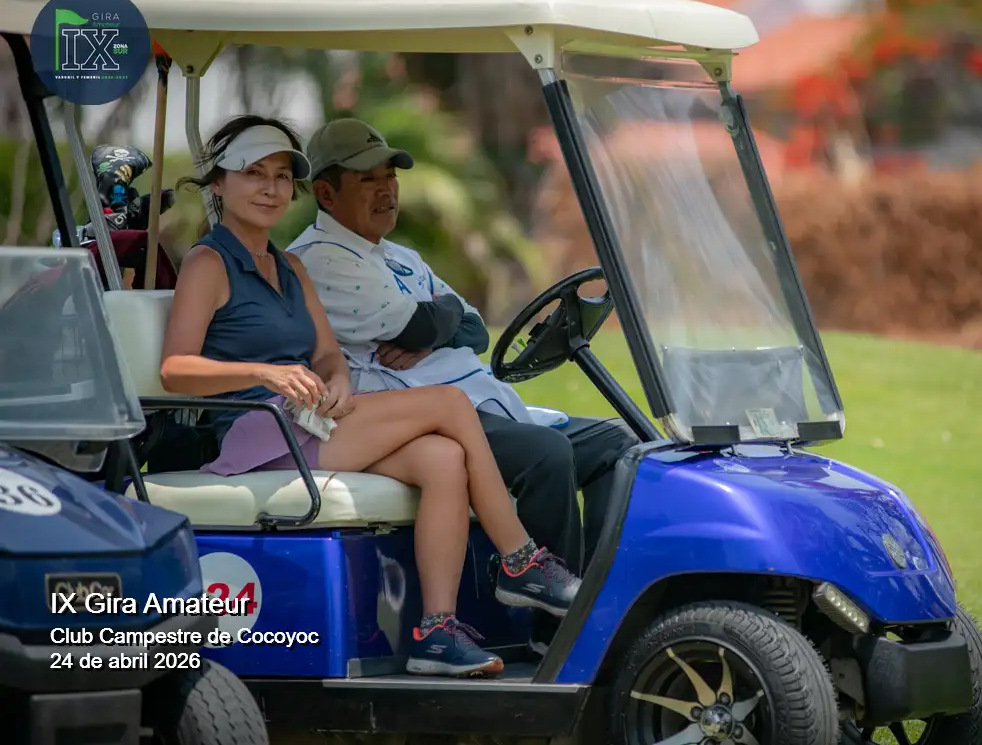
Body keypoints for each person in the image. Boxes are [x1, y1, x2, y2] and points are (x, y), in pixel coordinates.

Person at [159, 114, 582, 679]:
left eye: (281, 176)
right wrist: (267, 373)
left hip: (306, 421)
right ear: (219, 183)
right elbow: (175, 371)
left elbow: (328, 355)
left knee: (443, 457)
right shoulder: (208, 263)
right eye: (253, 174)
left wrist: (334, 382)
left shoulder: (290, 266)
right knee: (449, 406)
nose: (270, 189)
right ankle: (521, 561)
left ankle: (436, 633)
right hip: (251, 429)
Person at [286, 117, 639, 654]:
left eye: (390, 177)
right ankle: (556, 634)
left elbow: (474, 327)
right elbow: (419, 327)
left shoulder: (400, 256)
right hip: (409, 414)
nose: (386, 190)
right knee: (546, 453)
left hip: (475, 400)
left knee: (616, 443)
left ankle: (592, 593)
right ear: (326, 193)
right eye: (367, 180)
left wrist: (440, 320)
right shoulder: (320, 258)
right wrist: (435, 322)